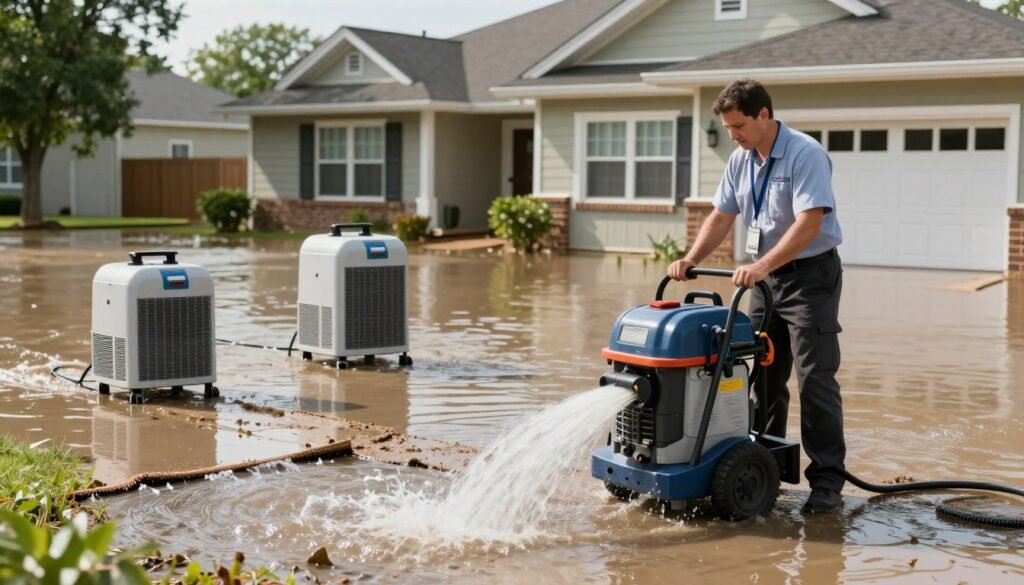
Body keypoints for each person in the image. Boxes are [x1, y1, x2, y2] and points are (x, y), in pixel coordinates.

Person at [667, 78, 846, 514]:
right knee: (762, 376)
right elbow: (721, 215)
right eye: (728, 128)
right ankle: (764, 465)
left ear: (764, 114)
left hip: (809, 279)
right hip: (763, 283)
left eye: (739, 125)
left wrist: (763, 265)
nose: (734, 134)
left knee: (815, 378)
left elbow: (808, 223)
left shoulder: (805, 154)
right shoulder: (740, 160)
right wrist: (689, 259)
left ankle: (826, 483)